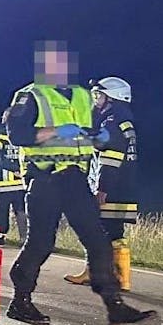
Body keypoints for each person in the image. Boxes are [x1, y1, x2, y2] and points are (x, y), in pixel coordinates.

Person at [4, 42, 153, 325]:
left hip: (75, 178)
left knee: (98, 241)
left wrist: (97, 138)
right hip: (44, 176)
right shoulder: (31, 95)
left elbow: (95, 132)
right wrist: (58, 132)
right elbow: (18, 134)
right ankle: (20, 301)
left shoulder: (83, 97)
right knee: (41, 243)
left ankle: (114, 305)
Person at [64, 77, 137, 289]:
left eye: (99, 95)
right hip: (123, 187)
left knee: (97, 230)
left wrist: (102, 189)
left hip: (110, 187)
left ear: (112, 98)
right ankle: (120, 278)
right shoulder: (122, 119)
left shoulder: (112, 122)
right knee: (114, 232)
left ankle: (96, 273)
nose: (96, 99)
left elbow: (110, 159)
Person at [0, 112, 27, 246]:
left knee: (20, 211)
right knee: (1, 212)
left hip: (15, 182)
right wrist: (15, 168)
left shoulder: (21, 134)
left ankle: (25, 239)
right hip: (5, 182)